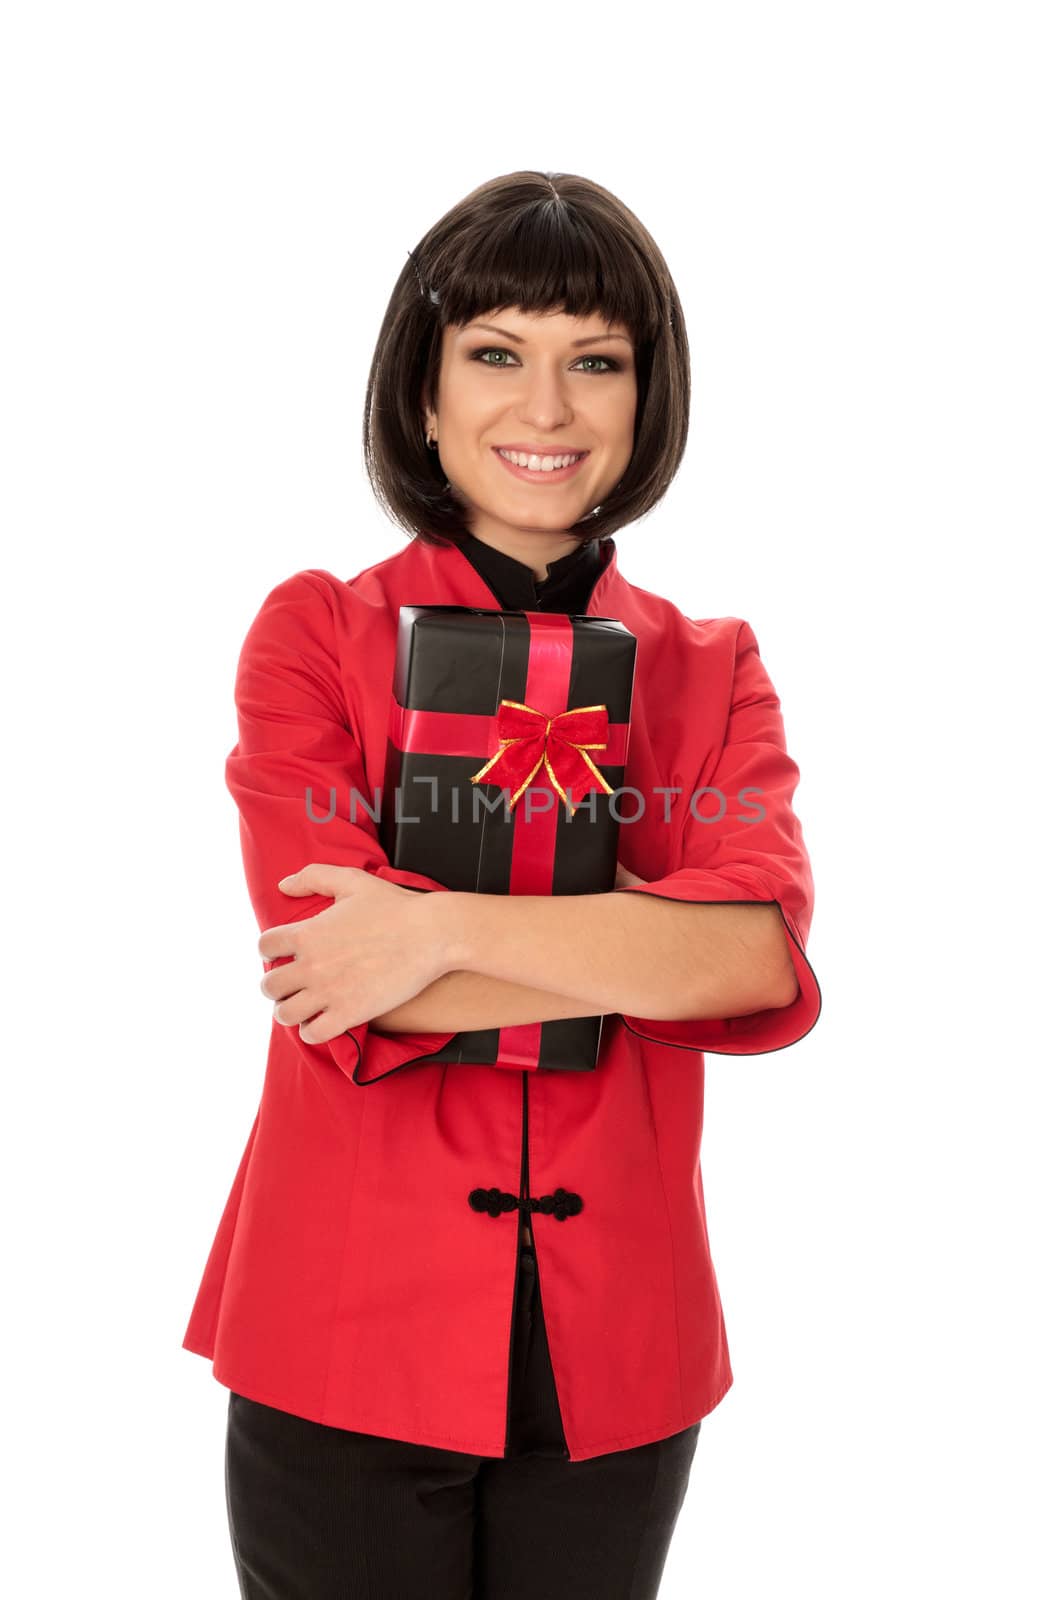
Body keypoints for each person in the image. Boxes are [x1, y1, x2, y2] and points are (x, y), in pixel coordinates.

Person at [182, 169, 822, 1599]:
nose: (547, 409)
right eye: (496, 354)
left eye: (595, 362)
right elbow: (332, 975)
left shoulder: (711, 666)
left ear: (644, 402)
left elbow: (754, 970)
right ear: (422, 392)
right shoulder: (314, 636)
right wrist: (626, 944)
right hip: (340, 1324)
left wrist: (436, 926)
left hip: (619, 1349)